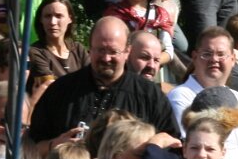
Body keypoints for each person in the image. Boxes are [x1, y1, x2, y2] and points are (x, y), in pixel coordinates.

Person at [29, 17, 179, 152]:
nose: (106, 58)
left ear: (127, 52)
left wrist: (147, 147)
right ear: (89, 49)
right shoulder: (62, 90)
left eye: (113, 51)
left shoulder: (149, 95)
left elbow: (173, 144)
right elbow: (31, 146)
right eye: (100, 50)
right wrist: (55, 145)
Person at [28, 0, 88, 88]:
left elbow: (93, 80)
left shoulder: (78, 49)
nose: (53, 22)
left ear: (70, 19)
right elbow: (52, 88)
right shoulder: (35, 52)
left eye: (59, 16)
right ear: (41, 20)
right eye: (47, 16)